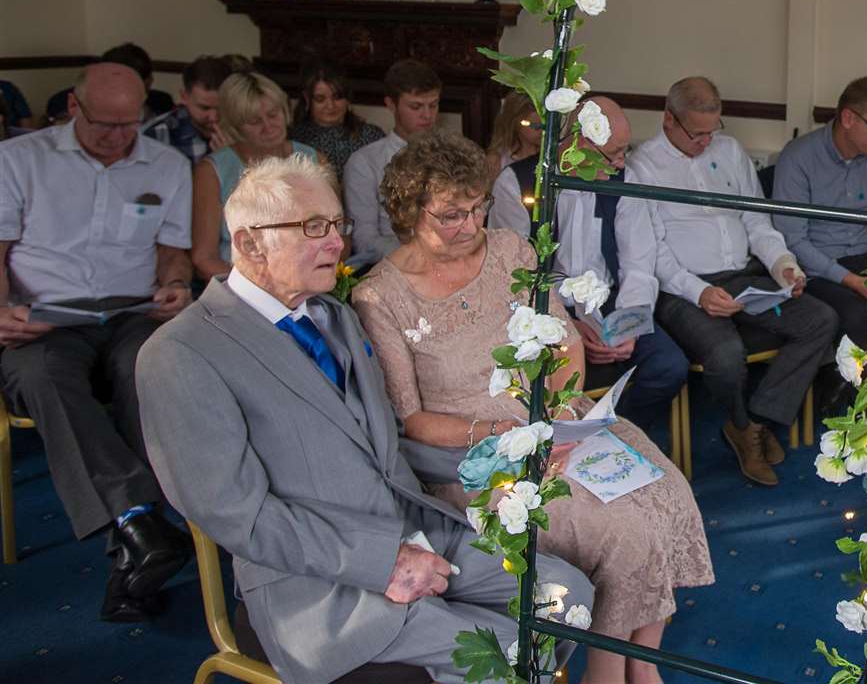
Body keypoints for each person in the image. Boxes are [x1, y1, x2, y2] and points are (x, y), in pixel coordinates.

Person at [137, 154, 592, 683]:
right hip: (321, 587)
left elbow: (384, 446)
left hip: (417, 532)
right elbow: (241, 517)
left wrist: (502, 457)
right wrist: (385, 562)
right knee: (508, 656)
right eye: (312, 228)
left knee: (567, 599)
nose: (336, 242)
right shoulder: (180, 352)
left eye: (337, 225)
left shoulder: (333, 316)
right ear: (249, 243)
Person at [352, 131, 713, 684]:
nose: (471, 226)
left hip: (557, 417)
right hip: (477, 455)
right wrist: (507, 430)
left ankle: (642, 664)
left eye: (477, 208)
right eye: (452, 214)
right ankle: (607, 671)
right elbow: (412, 419)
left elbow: (564, 341)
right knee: (621, 530)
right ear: (408, 210)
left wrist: (563, 408)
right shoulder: (381, 296)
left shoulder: (511, 251)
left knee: (667, 492)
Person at [0, 62, 194, 622]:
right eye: (104, 124)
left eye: (129, 124)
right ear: (73, 108)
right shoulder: (19, 161)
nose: (117, 137)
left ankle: (140, 533)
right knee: (43, 377)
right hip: (44, 321)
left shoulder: (166, 164)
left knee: (152, 366)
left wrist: (176, 283)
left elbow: (171, 251)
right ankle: (140, 525)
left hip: (129, 313)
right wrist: (3, 312)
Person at [626, 77, 838, 486]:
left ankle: (752, 423)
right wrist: (699, 292)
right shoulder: (642, 166)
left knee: (820, 320)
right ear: (669, 120)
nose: (707, 141)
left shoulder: (730, 149)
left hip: (743, 275)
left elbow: (755, 219)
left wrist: (783, 265)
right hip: (681, 289)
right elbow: (652, 254)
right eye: (697, 133)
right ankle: (741, 424)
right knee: (725, 354)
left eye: (713, 130)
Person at [490, 95, 690, 426]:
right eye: (613, 153)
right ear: (577, 144)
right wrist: (565, 326)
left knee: (669, 367)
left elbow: (638, 264)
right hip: (543, 307)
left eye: (624, 151)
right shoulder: (516, 185)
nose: (621, 163)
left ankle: (616, 435)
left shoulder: (626, 180)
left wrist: (630, 326)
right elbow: (514, 277)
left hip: (610, 301)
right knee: (546, 380)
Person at [770, 76, 867, 354]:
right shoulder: (798, 157)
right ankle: (843, 394)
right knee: (857, 315)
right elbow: (793, 240)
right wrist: (853, 282)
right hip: (817, 269)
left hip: (863, 260)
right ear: (848, 118)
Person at [191, 72, 320, 281]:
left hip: (306, 282)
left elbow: (339, 236)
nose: (268, 127)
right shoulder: (212, 172)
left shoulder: (313, 159)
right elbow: (203, 258)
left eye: (273, 114)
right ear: (234, 126)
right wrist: (259, 287)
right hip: (239, 286)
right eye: (254, 121)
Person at [344, 60, 442, 269]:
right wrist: (418, 255)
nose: (427, 115)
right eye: (416, 106)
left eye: (433, 105)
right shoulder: (365, 162)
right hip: (393, 266)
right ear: (391, 105)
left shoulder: (450, 155)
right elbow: (365, 239)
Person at [288, 61, 385, 176]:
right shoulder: (295, 139)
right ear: (307, 99)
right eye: (320, 99)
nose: (330, 106)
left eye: (337, 97)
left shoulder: (371, 136)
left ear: (347, 97)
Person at [143, 54, 233, 162]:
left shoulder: (246, 130)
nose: (213, 118)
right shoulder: (157, 135)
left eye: (221, 108)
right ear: (184, 97)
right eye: (204, 108)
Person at [486, 90, 543, 180]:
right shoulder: (496, 161)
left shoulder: (549, 156)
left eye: (545, 126)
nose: (543, 131)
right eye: (536, 126)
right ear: (515, 122)